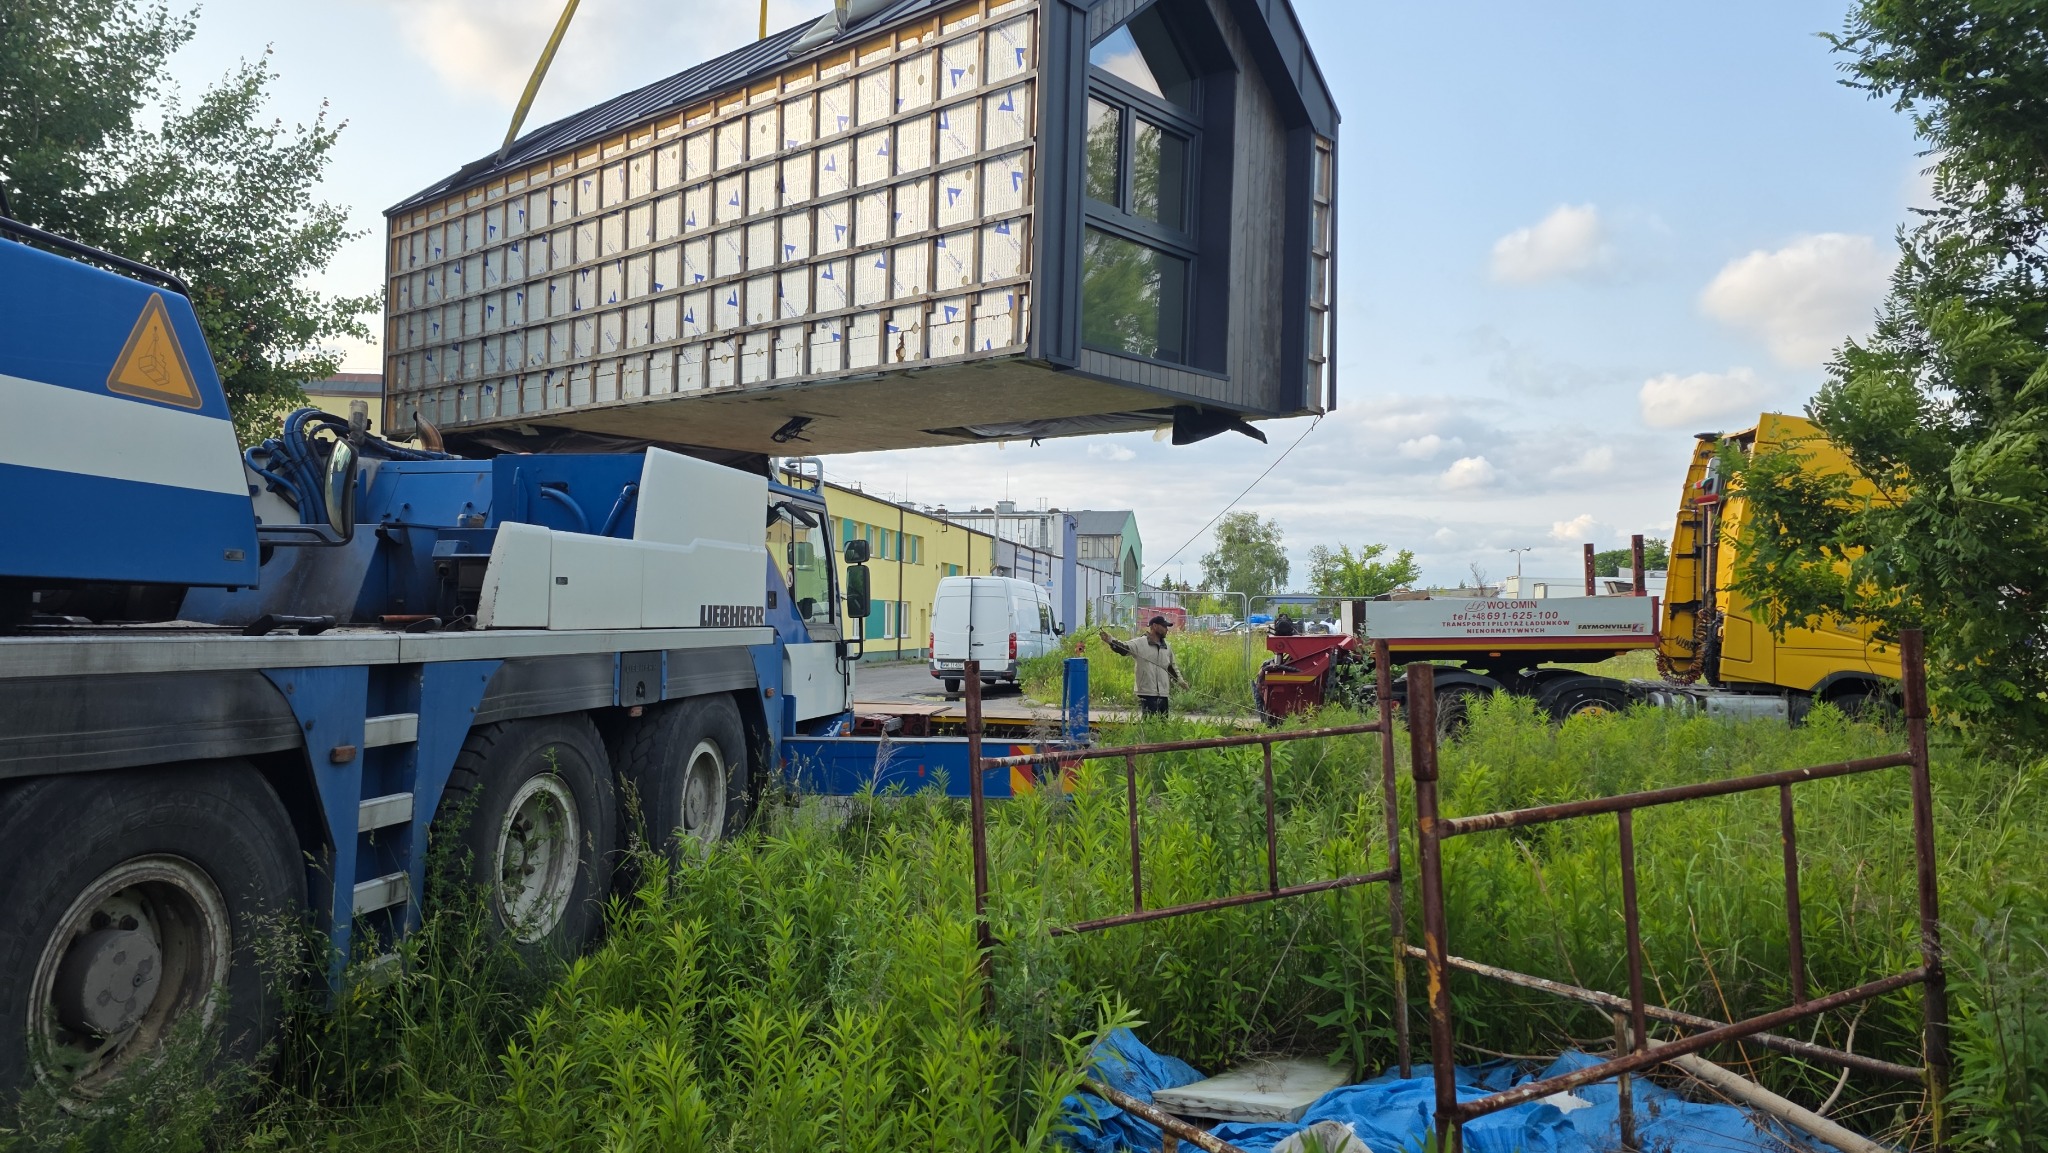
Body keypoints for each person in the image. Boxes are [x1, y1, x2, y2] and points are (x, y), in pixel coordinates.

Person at [1099, 615, 1186, 717]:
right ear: (1154, 626)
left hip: (1163, 693)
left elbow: (1171, 667)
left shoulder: (1167, 646)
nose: (1167, 629)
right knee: (1149, 724)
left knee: (1164, 726)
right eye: (1164, 626)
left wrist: (1180, 680)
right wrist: (1110, 640)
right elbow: (1124, 648)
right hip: (1147, 692)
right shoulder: (1140, 643)